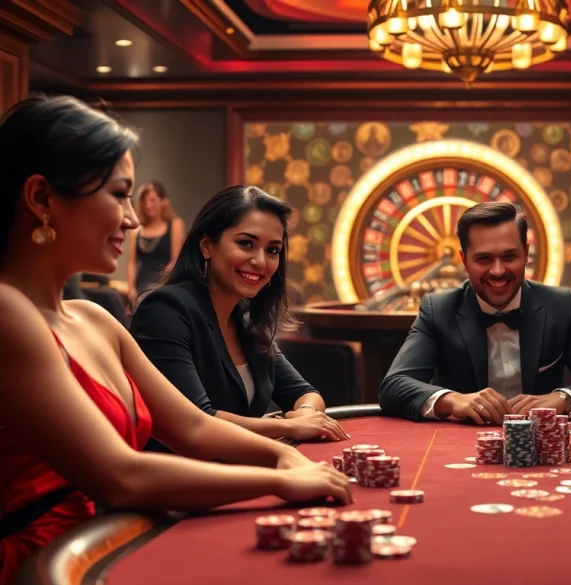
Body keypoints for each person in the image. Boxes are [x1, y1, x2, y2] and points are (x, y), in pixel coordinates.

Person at [0, 95, 351, 583]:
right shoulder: (7, 311)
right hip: (47, 566)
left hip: (110, 543)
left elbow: (193, 427)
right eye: (119, 194)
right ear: (41, 199)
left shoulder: (94, 319)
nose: (134, 220)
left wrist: (280, 452)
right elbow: (121, 476)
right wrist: (279, 479)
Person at [131, 185, 349, 445]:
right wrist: (288, 427)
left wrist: (305, 415)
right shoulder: (165, 311)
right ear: (207, 246)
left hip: (240, 470)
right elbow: (197, 421)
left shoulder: (244, 320)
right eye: (246, 243)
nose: (261, 261)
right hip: (182, 478)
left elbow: (306, 393)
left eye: (273, 250)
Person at [378, 201, 571, 423]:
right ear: (464, 260)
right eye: (483, 259)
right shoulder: (439, 310)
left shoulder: (560, 306)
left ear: (525, 254)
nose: (497, 271)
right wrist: (453, 400)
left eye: (509, 256)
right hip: (457, 445)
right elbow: (393, 386)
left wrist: (560, 398)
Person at [126, 181, 184, 300]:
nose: (148, 205)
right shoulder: (136, 229)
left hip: (164, 287)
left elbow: (175, 260)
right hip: (140, 288)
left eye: (152, 200)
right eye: (145, 201)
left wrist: (158, 285)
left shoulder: (175, 225)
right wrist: (131, 289)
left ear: (163, 202)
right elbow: (132, 262)